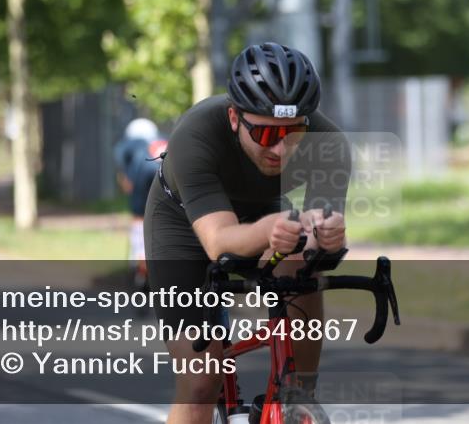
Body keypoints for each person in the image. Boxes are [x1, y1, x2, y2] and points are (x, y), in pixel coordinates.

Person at [144, 42, 350, 424]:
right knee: (201, 384)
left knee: (303, 262)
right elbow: (218, 242)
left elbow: (319, 234)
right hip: (184, 222)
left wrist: (327, 236)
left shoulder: (329, 143)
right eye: (268, 135)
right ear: (235, 118)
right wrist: (272, 227)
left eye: (294, 133)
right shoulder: (196, 134)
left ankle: (298, 394)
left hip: (260, 212)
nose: (283, 149)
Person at [113, 117, 166, 282]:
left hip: (141, 177)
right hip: (163, 175)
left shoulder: (131, 144)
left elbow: (122, 163)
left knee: (139, 216)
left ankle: (140, 261)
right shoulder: (162, 140)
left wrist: (126, 179)